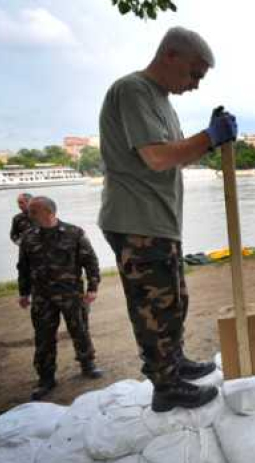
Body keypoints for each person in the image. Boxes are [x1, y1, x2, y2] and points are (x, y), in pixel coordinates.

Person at [98, 27, 237, 412]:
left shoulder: (160, 100)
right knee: (154, 307)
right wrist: (209, 137)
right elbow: (157, 157)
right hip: (136, 221)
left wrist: (209, 139)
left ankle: (173, 364)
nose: (194, 85)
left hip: (158, 221)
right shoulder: (133, 90)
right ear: (171, 55)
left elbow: (177, 154)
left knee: (174, 300)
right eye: (194, 74)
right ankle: (165, 386)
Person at [17, 196, 104, 401]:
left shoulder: (74, 233)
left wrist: (92, 287)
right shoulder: (28, 237)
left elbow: (90, 261)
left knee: (80, 330)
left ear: (48, 212)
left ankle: (87, 364)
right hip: (42, 297)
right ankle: (46, 378)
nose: (28, 216)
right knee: (44, 337)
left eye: (33, 212)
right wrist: (24, 292)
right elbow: (23, 267)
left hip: (71, 293)